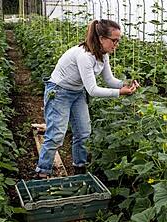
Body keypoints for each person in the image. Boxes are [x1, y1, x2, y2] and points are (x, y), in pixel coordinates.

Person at [35, 19, 139, 178]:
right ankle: (43, 172)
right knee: (56, 135)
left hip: (77, 93)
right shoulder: (85, 55)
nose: (116, 45)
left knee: (84, 132)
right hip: (59, 92)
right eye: (114, 40)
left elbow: (109, 80)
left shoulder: (103, 55)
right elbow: (92, 90)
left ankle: (79, 168)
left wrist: (126, 83)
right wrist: (120, 92)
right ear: (101, 38)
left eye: (118, 41)